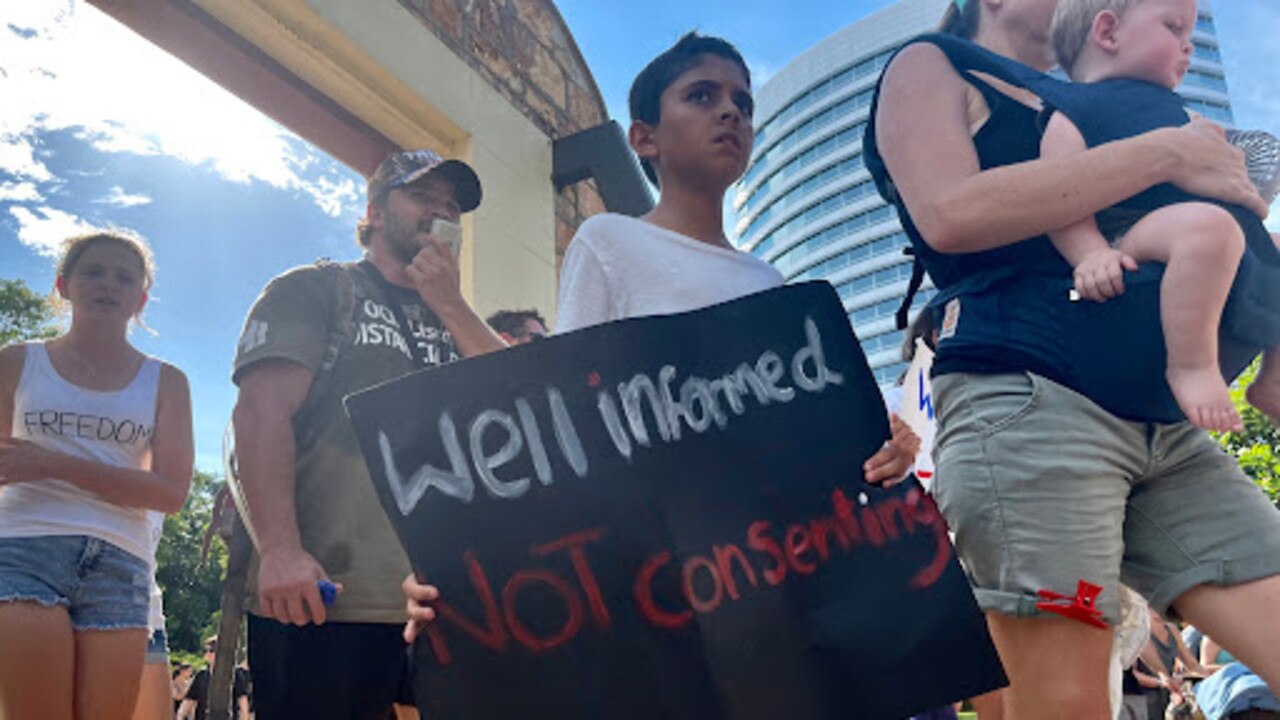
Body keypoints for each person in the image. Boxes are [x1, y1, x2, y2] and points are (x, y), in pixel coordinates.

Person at [403, 31, 921, 644]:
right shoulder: (610, 242)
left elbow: (799, 445)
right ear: (644, 137)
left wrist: (881, 445)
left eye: (742, 102)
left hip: (770, 572)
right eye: (701, 95)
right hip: (661, 577)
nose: (730, 111)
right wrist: (475, 572)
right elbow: (558, 422)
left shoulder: (774, 283)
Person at [866, 0, 1280, 716]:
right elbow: (949, 211)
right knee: (1067, 705)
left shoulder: (1103, 91)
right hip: (1030, 404)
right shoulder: (934, 64)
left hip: (1161, 421)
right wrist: (1170, 154)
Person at [232, 149, 504, 719]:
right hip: (324, 599)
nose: (440, 213)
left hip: (437, 608)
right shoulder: (315, 289)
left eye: (451, 206)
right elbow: (261, 413)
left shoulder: (454, 315)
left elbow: (521, 399)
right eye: (422, 198)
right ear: (375, 211)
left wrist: (452, 304)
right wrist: (280, 551)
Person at [1042, 0, 1280, 432]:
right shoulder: (1075, 110)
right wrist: (1090, 253)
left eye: (1190, 35)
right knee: (1208, 227)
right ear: (1108, 32)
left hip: (1208, 228)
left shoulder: (1186, 115)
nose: (1187, 48)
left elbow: (1238, 178)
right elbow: (1059, 197)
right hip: (1132, 232)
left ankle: (1275, 377)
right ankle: (1191, 366)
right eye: (1174, 28)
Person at [0, 230, 194, 720]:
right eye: (94, 271)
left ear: (141, 298)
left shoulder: (167, 381)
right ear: (63, 285)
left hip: (121, 561)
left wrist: (52, 463)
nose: (109, 283)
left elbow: (171, 493)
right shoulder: (17, 361)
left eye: (125, 277)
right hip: (25, 547)